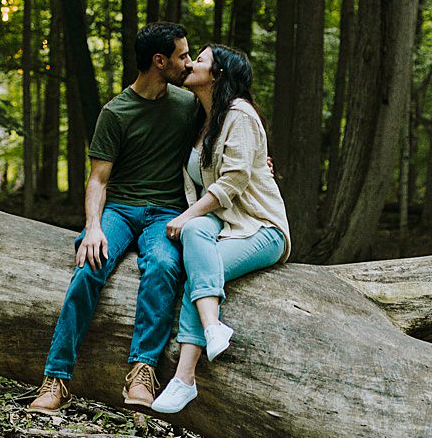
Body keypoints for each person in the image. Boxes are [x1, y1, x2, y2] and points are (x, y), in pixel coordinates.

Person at [27, 22, 202, 414]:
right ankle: (55, 379)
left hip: (167, 214)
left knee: (163, 266)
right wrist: (92, 227)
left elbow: (223, 131)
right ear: (160, 61)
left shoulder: (188, 106)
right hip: (120, 210)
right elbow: (98, 179)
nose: (188, 63)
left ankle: (142, 372)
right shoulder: (116, 112)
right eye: (182, 55)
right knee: (89, 267)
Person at [149, 44, 289, 414]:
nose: (192, 64)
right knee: (196, 234)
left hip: (260, 226)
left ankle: (184, 377)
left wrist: (185, 215)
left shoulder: (239, 114)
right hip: (225, 222)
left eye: (201, 60)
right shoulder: (202, 116)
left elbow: (234, 181)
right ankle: (213, 327)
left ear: (218, 75)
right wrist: (191, 219)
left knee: (198, 267)